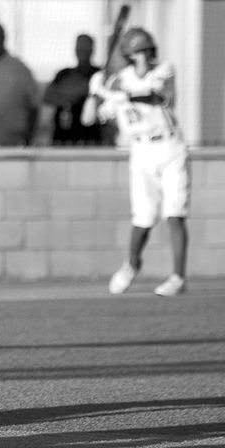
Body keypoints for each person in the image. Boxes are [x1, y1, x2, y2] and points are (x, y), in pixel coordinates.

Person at [83, 27, 191, 297]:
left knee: (174, 212)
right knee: (142, 216)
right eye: (137, 53)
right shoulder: (119, 80)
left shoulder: (164, 70)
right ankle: (132, 264)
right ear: (129, 55)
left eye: (146, 52)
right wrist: (95, 91)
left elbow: (155, 96)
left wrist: (119, 94)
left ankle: (178, 277)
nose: (143, 58)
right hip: (140, 150)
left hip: (169, 146)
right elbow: (89, 118)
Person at [42, 33, 104, 146]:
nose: (82, 52)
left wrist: (79, 89)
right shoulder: (64, 74)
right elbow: (48, 96)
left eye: (85, 48)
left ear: (92, 50)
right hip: (64, 134)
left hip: (90, 135)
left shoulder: (98, 74)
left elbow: (99, 93)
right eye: (80, 48)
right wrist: (70, 96)